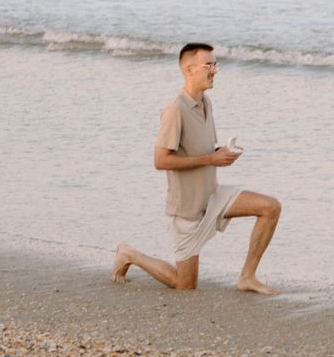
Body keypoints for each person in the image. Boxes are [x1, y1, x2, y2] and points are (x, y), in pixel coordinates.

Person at [113, 42, 281, 294]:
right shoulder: (175, 110)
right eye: (209, 65)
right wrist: (212, 160)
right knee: (185, 285)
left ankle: (248, 276)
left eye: (215, 64)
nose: (215, 70)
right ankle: (130, 254)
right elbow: (161, 160)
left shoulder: (206, 103)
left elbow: (201, 152)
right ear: (189, 69)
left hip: (213, 196)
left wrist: (222, 154)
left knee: (270, 207)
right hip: (187, 210)